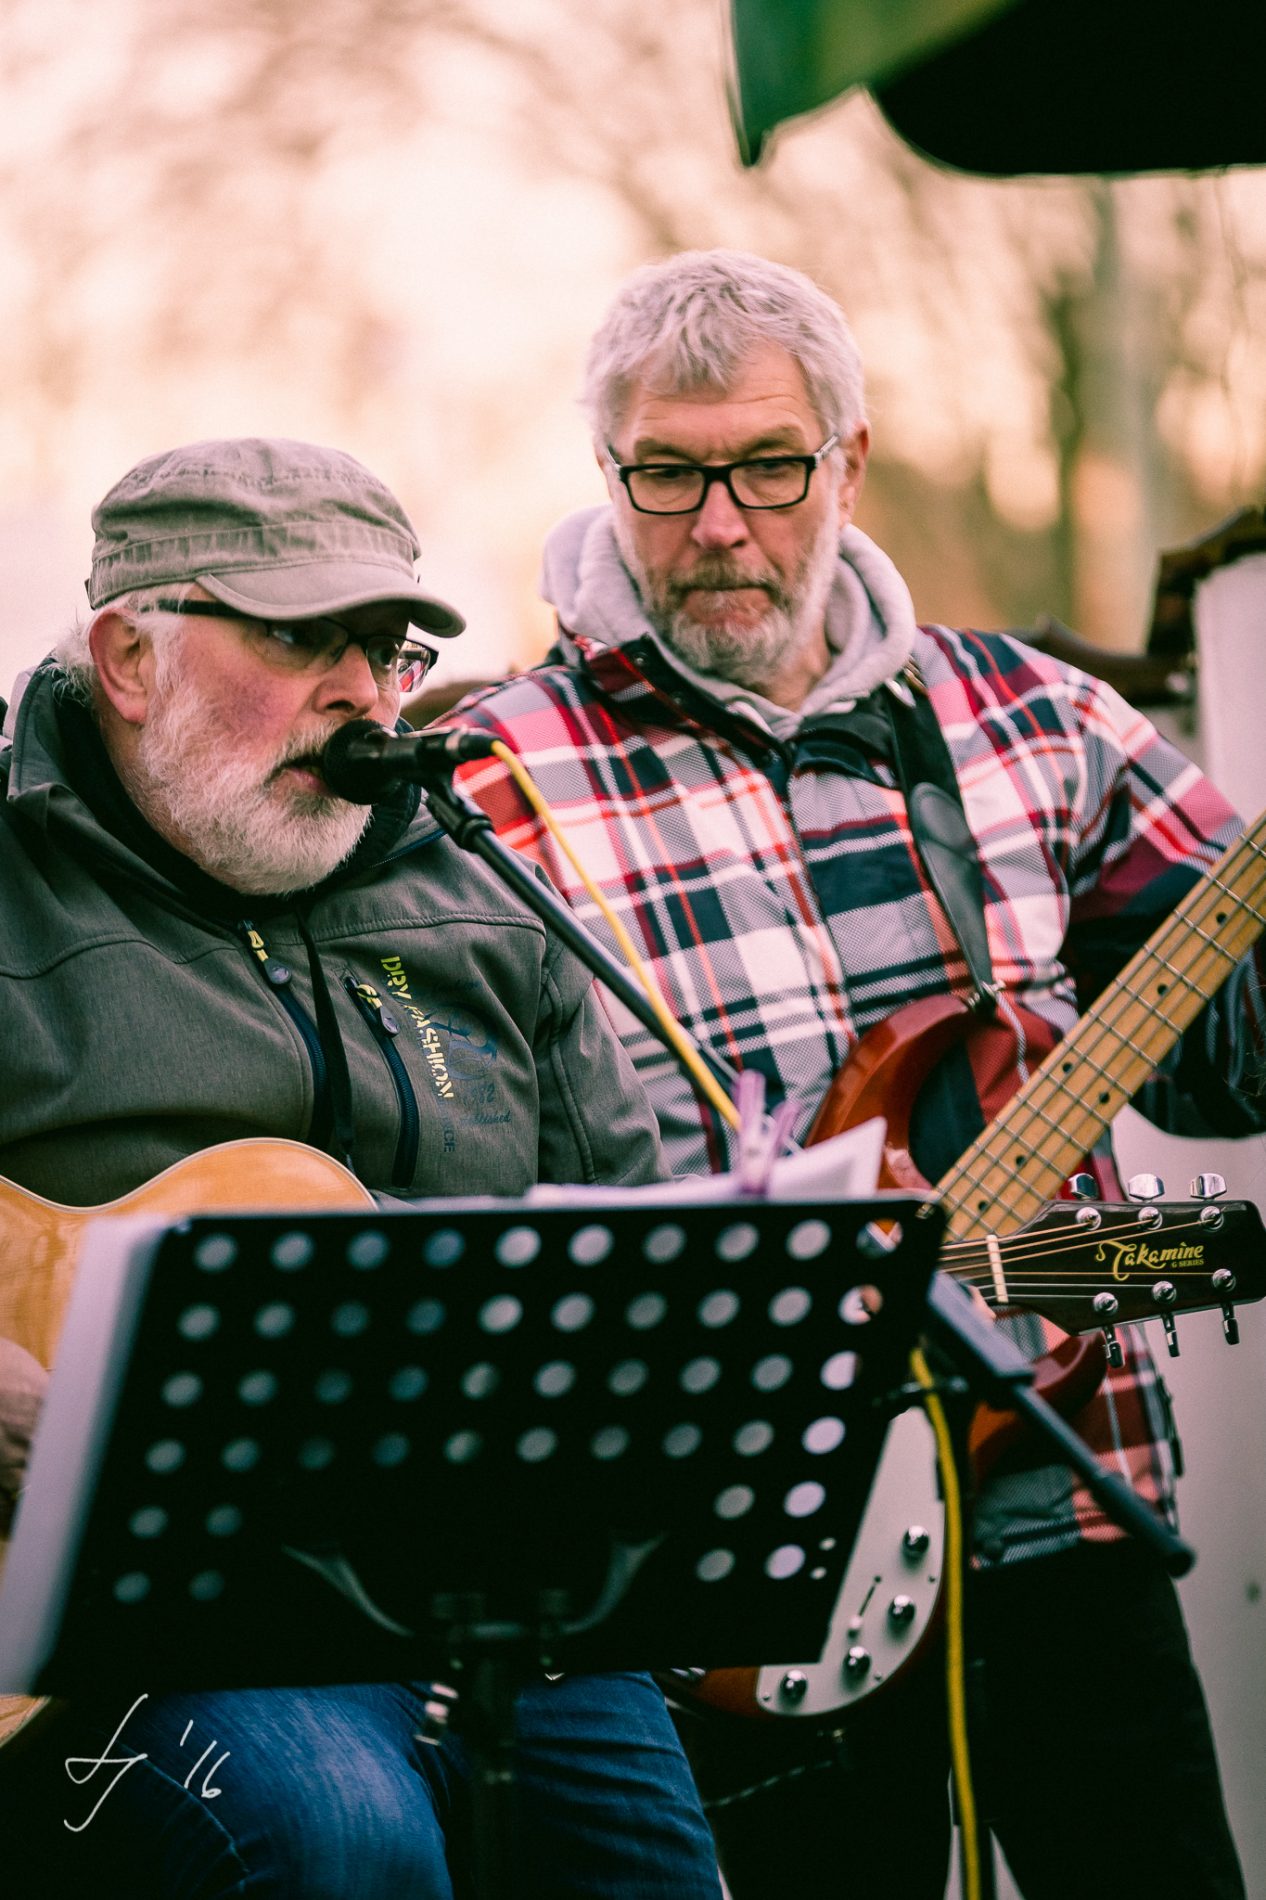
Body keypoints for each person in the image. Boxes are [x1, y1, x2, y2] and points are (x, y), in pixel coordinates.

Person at [444, 251, 1259, 1899]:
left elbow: (1228, 1078)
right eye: (664, 475)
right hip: (733, 1544)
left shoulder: (1035, 718)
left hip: (1063, 1472)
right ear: (607, 472)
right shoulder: (492, 781)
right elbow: (471, 1181)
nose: (718, 523)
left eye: (764, 465)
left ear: (850, 459)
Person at [0, 437, 723, 1899]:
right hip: (119, 1620)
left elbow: (628, 1245)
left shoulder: (490, 905)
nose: (361, 690)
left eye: (384, 649)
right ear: (130, 658)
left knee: (657, 1871)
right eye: (299, 639)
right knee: (340, 1848)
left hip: (475, 1581)